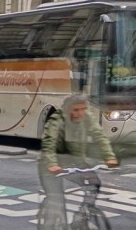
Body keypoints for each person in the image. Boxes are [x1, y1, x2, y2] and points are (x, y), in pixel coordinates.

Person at [38, 94, 119, 230]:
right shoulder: (57, 120)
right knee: (56, 201)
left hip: (74, 163)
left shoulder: (86, 118)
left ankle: (81, 218)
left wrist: (109, 157)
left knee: (94, 183)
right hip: (50, 166)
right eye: (75, 110)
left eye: (83, 109)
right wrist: (52, 164)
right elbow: (49, 143)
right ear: (67, 109)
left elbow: (99, 136)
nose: (79, 113)